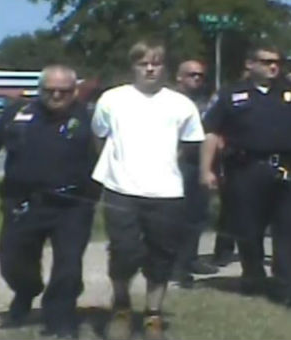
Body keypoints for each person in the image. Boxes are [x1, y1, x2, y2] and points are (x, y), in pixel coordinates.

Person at [0, 65, 99, 338]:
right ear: (40, 90)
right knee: (12, 260)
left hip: (73, 205)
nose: (57, 96)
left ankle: (60, 319)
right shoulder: (17, 113)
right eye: (50, 91)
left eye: (64, 91)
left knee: (69, 265)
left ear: (74, 91)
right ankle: (26, 290)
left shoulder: (90, 118)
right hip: (24, 202)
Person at [200, 43, 291, 310]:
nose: (273, 66)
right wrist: (206, 169)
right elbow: (211, 132)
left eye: (277, 61)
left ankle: (288, 289)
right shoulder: (231, 94)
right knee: (248, 229)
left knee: (290, 229)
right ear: (249, 64)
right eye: (265, 62)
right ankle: (253, 276)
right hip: (247, 169)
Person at [91, 40, 204, 340]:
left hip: (167, 193)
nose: (150, 68)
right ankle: (122, 307)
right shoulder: (112, 100)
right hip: (121, 189)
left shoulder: (181, 105)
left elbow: (190, 145)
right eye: (144, 63)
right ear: (134, 66)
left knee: (161, 256)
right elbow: (99, 137)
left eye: (156, 63)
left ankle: (153, 314)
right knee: (124, 253)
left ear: (165, 67)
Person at [172, 59, 219, 287]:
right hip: (175, 162)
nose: (197, 79)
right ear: (179, 77)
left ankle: (190, 258)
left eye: (200, 75)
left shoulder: (205, 103)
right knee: (176, 216)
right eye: (192, 75)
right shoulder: (168, 101)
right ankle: (174, 265)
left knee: (198, 214)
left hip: (199, 163)